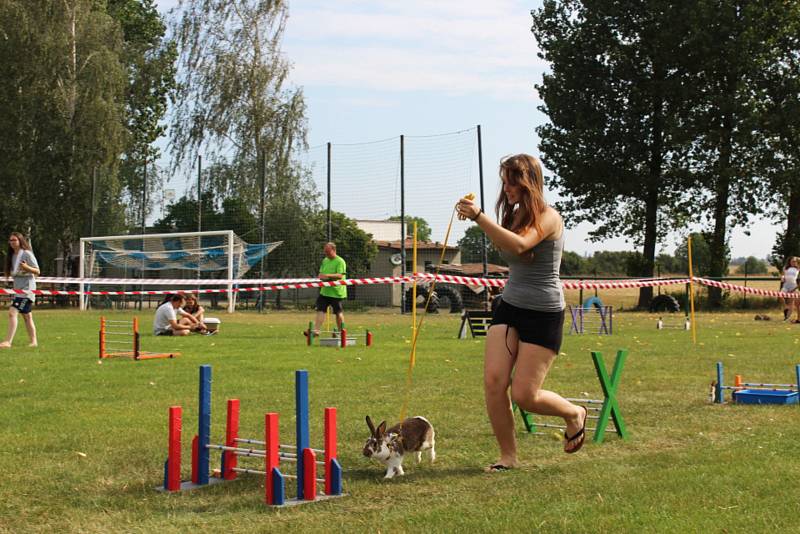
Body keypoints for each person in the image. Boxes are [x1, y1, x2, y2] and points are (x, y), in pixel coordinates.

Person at [457, 154, 587, 472]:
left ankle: (574, 414)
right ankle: (508, 457)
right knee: (493, 381)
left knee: (524, 395)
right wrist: (482, 221)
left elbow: (519, 246)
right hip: (510, 306)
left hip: (543, 313)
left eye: (512, 181)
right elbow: (510, 246)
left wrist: (479, 217)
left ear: (528, 182)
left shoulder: (549, 218)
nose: (507, 187)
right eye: (504, 181)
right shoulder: (514, 216)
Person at [0, 232, 40, 348]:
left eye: (15, 240)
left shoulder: (27, 254)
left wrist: (26, 268)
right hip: (18, 291)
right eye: (11, 240)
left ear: (20, 241)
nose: (12, 242)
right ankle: (34, 342)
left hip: (27, 291)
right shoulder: (12, 256)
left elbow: (37, 271)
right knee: (27, 316)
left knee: (12, 312)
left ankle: (8, 341)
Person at [308, 242, 347, 337]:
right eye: (325, 252)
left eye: (328, 252)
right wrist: (321, 276)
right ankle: (316, 331)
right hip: (325, 291)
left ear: (334, 250)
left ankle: (341, 332)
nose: (326, 254)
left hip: (336, 292)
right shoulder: (325, 260)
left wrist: (327, 276)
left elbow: (340, 275)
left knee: (338, 312)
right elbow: (321, 274)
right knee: (320, 310)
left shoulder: (340, 261)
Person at [779, 256, 798, 322]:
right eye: (792, 261)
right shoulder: (785, 268)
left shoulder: (798, 268)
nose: (794, 262)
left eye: (795, 261)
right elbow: (782, 275)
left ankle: (787, 318)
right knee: (780, 296)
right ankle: (785, 307)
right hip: (786, 285)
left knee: (791, 302)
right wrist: (782, 277)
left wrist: (797, 259)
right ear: (789, 261)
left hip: (793, 286)